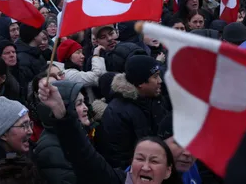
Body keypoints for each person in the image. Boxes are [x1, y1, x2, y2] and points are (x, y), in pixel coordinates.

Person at [36, 79, 181, 184]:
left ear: (168, 171)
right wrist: (61, 113)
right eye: (140, 158)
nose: (145, 167)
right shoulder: (117, 180)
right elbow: (84, 157)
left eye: (154, 161)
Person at [95, 55, 168, 169]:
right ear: (140, 83)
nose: (160, 81)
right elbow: (118, 159)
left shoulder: (155, 98)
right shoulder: (117, 113)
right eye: (155, 76)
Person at [33, 81, 91, 184]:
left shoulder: (78, 135)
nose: (85, 108)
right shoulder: (51, 148)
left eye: (84, 102)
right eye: (79, 104)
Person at [58, 39, 105, 105]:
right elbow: (97, 76)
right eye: (78, 53)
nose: (83, 56)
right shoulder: (69, 74)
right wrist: (96, 55)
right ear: (67, 56)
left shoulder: (76, 71)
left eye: (82, 53)